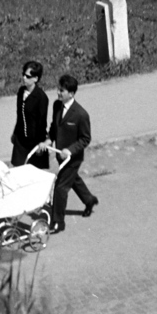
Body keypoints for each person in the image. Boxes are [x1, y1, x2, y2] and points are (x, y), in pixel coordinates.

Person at [48, 73, 98, 233]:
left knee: (60, 187)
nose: (58, 93)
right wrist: (49, 139)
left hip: (73, 158)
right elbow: (54, 127)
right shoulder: (57, 106)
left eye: (62, 91)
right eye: (58, 89)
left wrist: (70, 150)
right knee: (73, 180)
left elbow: (85, 139)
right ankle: (90, 200)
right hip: (60, 155)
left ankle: (58, 222)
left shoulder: (81, 114)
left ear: (71, 93)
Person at [9, 59, 50, 168]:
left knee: (32, 175)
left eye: (28, 76)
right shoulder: (21, 91)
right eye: (23, 75)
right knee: (17, 170)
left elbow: (41, 123)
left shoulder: (41, 97)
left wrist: (41, 143)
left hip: (34, 142)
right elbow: (20, 116)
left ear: (35, 79)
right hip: (21, 140)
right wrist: (15, 133)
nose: (24, 78)